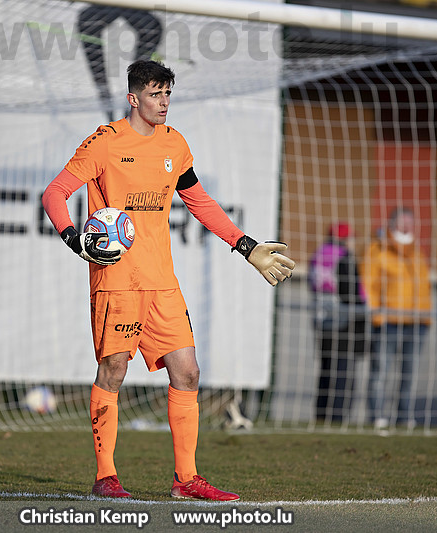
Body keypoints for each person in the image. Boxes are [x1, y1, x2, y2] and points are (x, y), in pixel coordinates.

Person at [42, 59, 295, 501]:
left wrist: (246, 246)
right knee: (113, 370)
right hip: (117, 280)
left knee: (188, 371)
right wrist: (73, 238)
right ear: (133, 98)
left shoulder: (174, 145)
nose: (163, 103)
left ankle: (186, 479)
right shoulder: (104, 142)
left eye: (167, 94)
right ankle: (106, 477)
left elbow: (199, 201)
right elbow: (55, 193)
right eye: (155, 94)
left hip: (162, 283)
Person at [362, 207, 432, 431]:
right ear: (393, 224)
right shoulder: (378, 249)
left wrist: (425, 315)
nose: (407, 227)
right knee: (381, 371)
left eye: (410, 222)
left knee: (409, 374)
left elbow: (423, 287)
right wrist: (376, 314)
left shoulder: (417, 252)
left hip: (417, 322)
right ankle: (377, 415)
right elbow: (368, 285)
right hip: (388, 321)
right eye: (403, 222)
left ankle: (404, 416)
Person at [308, 222, 367, 423]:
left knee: (326, 368)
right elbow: (352, 292)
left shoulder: (318, 255)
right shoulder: (344, 257)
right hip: (343, 322)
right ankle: (337, 415)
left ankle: (321, 413)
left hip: (321, 319)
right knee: (343, 371)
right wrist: (363, 314)